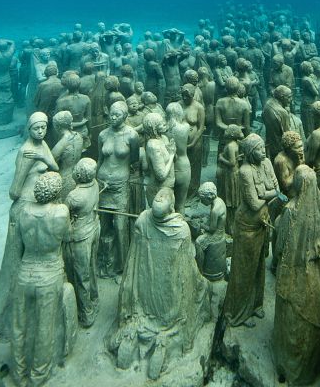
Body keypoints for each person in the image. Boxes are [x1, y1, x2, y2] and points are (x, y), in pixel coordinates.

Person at [107, 188, 210, 378]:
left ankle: (135, 333)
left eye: (161, 196)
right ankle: (162, 341)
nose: (160, 196)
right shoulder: (181, 229)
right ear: (172, 207)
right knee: (202, 287)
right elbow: (187, 270)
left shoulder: (143, 220)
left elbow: (133, 260)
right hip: (169, 301)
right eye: (160, 196)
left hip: (143, 293)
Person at [0, 112, 59, 338]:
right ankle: (6, 319)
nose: (41, 131)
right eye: (37, 128)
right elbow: (14, 190)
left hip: (39, 201)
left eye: (44, 127)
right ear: (29, 130)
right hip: (25, 205)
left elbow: (54, 166)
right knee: (17, 260)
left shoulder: (42, 144)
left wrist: (45, 160)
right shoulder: (26, 152)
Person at [11, 172, 71, 387]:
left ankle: (18, 373)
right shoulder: (61, 212)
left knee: (19, 325)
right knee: (44, 328)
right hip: (49, 274)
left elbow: (18, 246)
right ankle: (38, 375)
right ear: (57, 191)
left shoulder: (23, 212)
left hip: (25, 272)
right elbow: (68, 236)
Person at [273, 165, 320, 386]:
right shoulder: (318, 205)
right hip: (314, 273)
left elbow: (279, 249)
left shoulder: (291, 210)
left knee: (292, 316)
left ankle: (289, 366)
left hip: (292, 272)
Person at [224, 134, 280, 327]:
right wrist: (269, 193)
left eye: (264, 148)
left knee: (258, 266)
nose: (263, 152)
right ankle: (240, 311)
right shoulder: (244, 171)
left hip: (262, 223)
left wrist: (265, 193)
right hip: (247, 226)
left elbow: (278, 190)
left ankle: (255, 304)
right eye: (259, 149)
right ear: (249, 152)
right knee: (244, 269)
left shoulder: (266, 163)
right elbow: (254, 204)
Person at [97, 101, 139, 277]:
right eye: (111, 114)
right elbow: (100, 158)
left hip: (121, 184)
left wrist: (132, 181)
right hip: (102, 183)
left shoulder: (132, 135)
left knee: (121, 226)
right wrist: (94, 181)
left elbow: (135, 160)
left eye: (117, 115)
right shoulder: (102, 134)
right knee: (102, 224)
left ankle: (122, 264)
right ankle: (103, 261)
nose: (113, 118)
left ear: (125, 116)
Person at [64, 157, 100, 328]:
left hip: (80, 236)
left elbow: (64, 217)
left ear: (78, 173)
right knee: (91, 268)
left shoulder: (74, 196)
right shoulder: (95, 184)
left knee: (81, 275)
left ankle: (86, 313)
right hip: (93, 228)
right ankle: (95, 299)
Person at [141, 112, 176, 208]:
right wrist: (172, 154)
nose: (164, 123)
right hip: (158, 190)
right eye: (161, 123)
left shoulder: (163, 138)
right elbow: (161, 175)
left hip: (167, 187)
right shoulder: (153, 145)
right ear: (153, 128)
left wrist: (171, 149)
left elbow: (171, 162)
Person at [195, 181, 227, 281]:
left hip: (217, 234)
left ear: (208, 197)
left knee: (198, 242)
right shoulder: (219, 200)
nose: (201, 202)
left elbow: (212, 229)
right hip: (219, 229)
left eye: (202, 199)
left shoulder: (215, 210)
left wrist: (201, 225)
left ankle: (199, 271)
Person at [216, 123, 244, 234]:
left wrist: (221, 158)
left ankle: (231, 227)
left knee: (230, 200)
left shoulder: (231, 146)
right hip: (233, 174)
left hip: (231, 175)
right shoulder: (235, 144)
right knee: (233, 200)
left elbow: (232, 163)